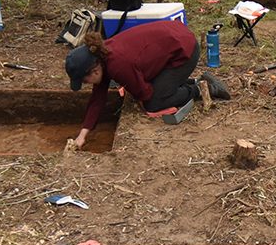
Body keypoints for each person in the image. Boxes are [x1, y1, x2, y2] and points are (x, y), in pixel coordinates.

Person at [64, 21, 229, 149]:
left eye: (84, 81)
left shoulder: (117, 65)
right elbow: (97, 98)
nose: (87, 84)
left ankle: (201, 88)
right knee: (154, 91)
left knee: (154, 103)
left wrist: (138, 92)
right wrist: (82, 135)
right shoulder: (102, 55)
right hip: (174, 42)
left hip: (184, 51)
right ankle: (194, 81)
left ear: (94, 71)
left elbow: (146, 94)